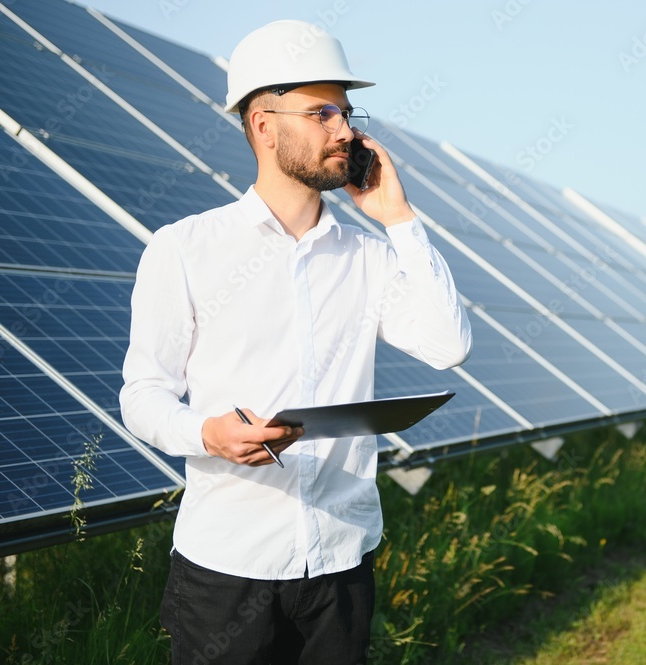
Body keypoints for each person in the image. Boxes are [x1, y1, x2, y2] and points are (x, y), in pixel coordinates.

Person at [119, 19, 471, 665]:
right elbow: (143, 395)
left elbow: (448, 346)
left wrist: (399, 219)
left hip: (341, 557)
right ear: (263, 124)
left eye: (347, 113)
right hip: (226, 566)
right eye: (322, 113)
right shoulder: (186, 248)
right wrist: (208, 434)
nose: (345, 131)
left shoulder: (367, 256)